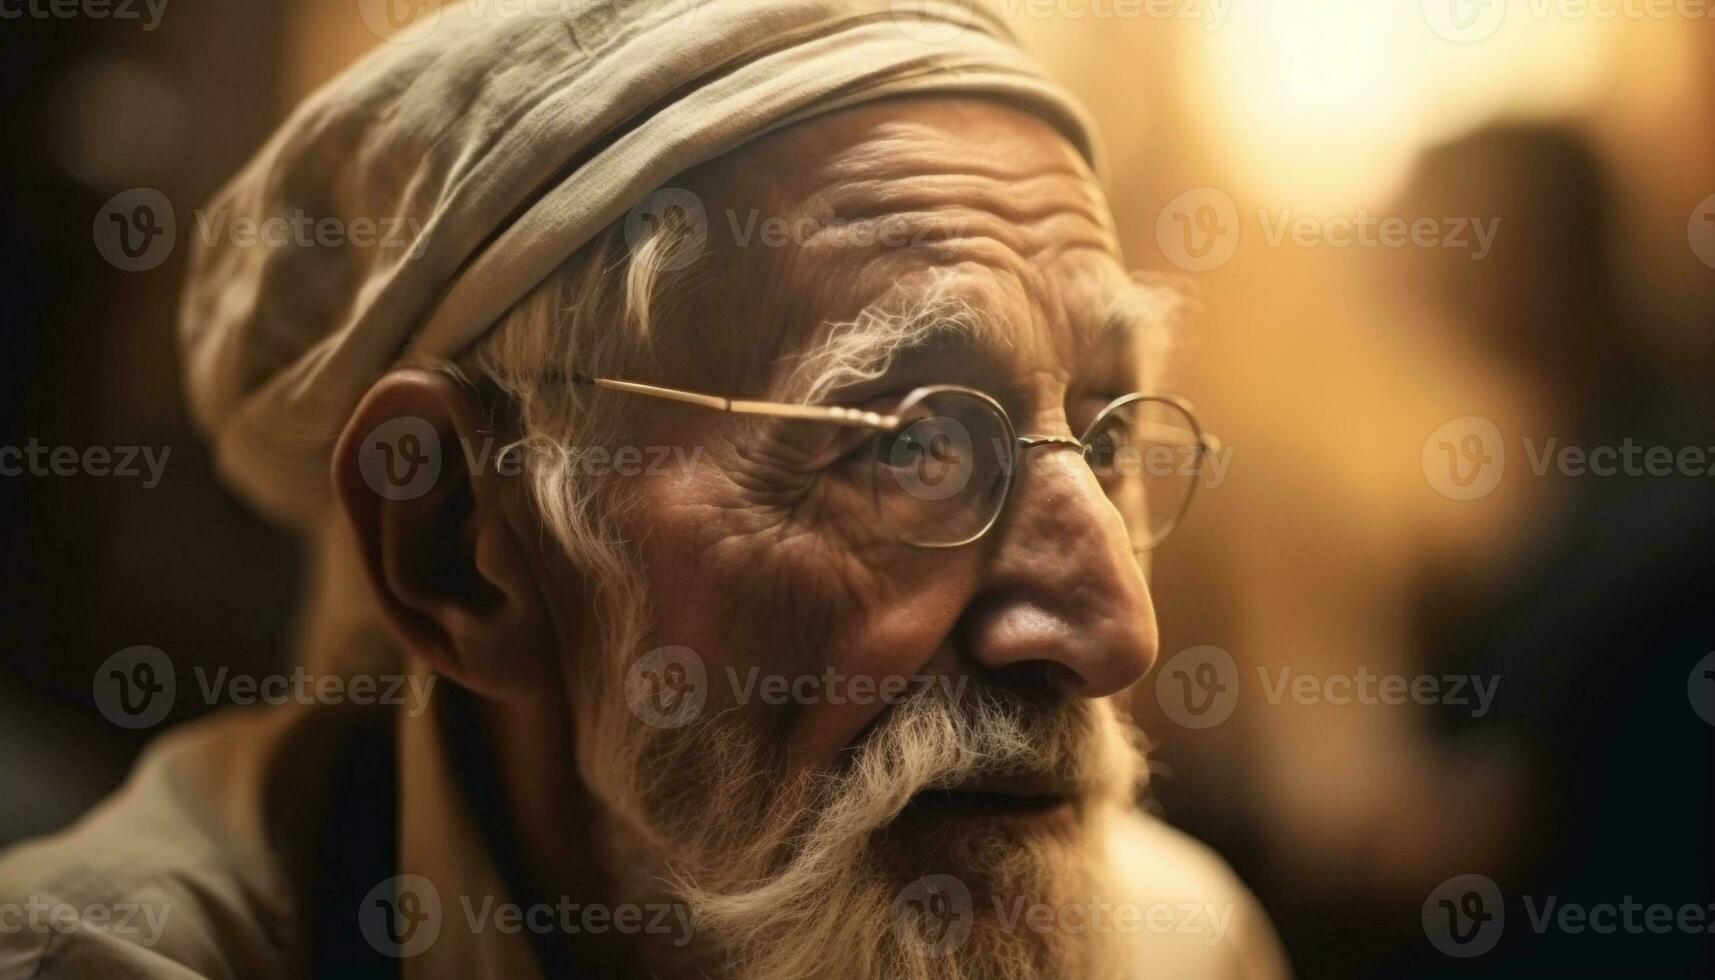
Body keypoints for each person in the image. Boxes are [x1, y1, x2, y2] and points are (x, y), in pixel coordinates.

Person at [0, 2, 1287, 977]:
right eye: (911, 443)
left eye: (1106, 433)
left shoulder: (1180, 941)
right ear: (457, 542)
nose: (1117, 626)